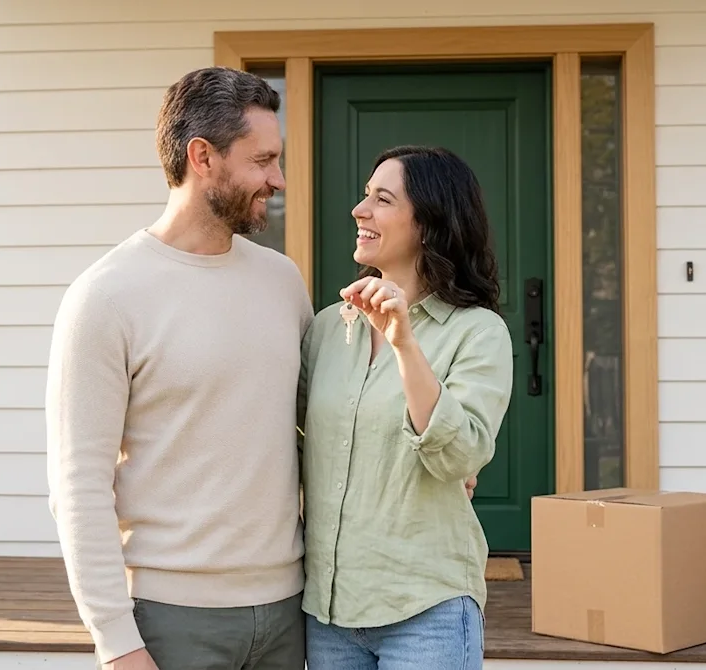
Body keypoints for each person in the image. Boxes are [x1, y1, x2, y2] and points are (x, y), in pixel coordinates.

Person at [45, 67, 311, 670]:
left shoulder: (282, 280)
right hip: (172, 621)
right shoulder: (106, 297)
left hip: (290, 613)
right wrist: (115, 640)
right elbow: (79, 486)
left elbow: (319, 422)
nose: (278, 179)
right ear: (203, 157)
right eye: (262, 160)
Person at [297, 146, 514, 670]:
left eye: (382, 198)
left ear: (429, 223)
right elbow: (291, 441)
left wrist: (404, 344)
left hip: (427, 612)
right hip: (327, 613)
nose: (359, 209)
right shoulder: (328, 327)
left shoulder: (479, 332)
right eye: (365, 194)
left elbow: (460, 457)